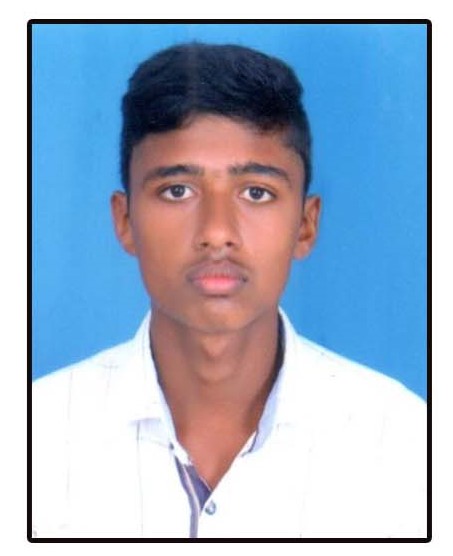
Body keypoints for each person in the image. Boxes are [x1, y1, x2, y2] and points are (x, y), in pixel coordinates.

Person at [32, 42, 427, 539]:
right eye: (177, 190)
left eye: (256, 193)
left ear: (305, 225)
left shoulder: (407, 447)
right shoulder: (31, 440)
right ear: (125, 220)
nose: (217, 232)